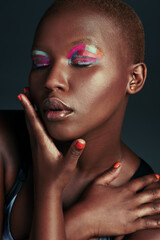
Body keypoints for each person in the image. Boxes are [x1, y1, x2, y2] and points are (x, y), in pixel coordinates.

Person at [1, 0, 160, 239]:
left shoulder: (146, 213)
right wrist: (78, 219)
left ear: (135, 79)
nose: (51, 80)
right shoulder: (4, 145)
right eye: (40, 63)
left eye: (82, 61)